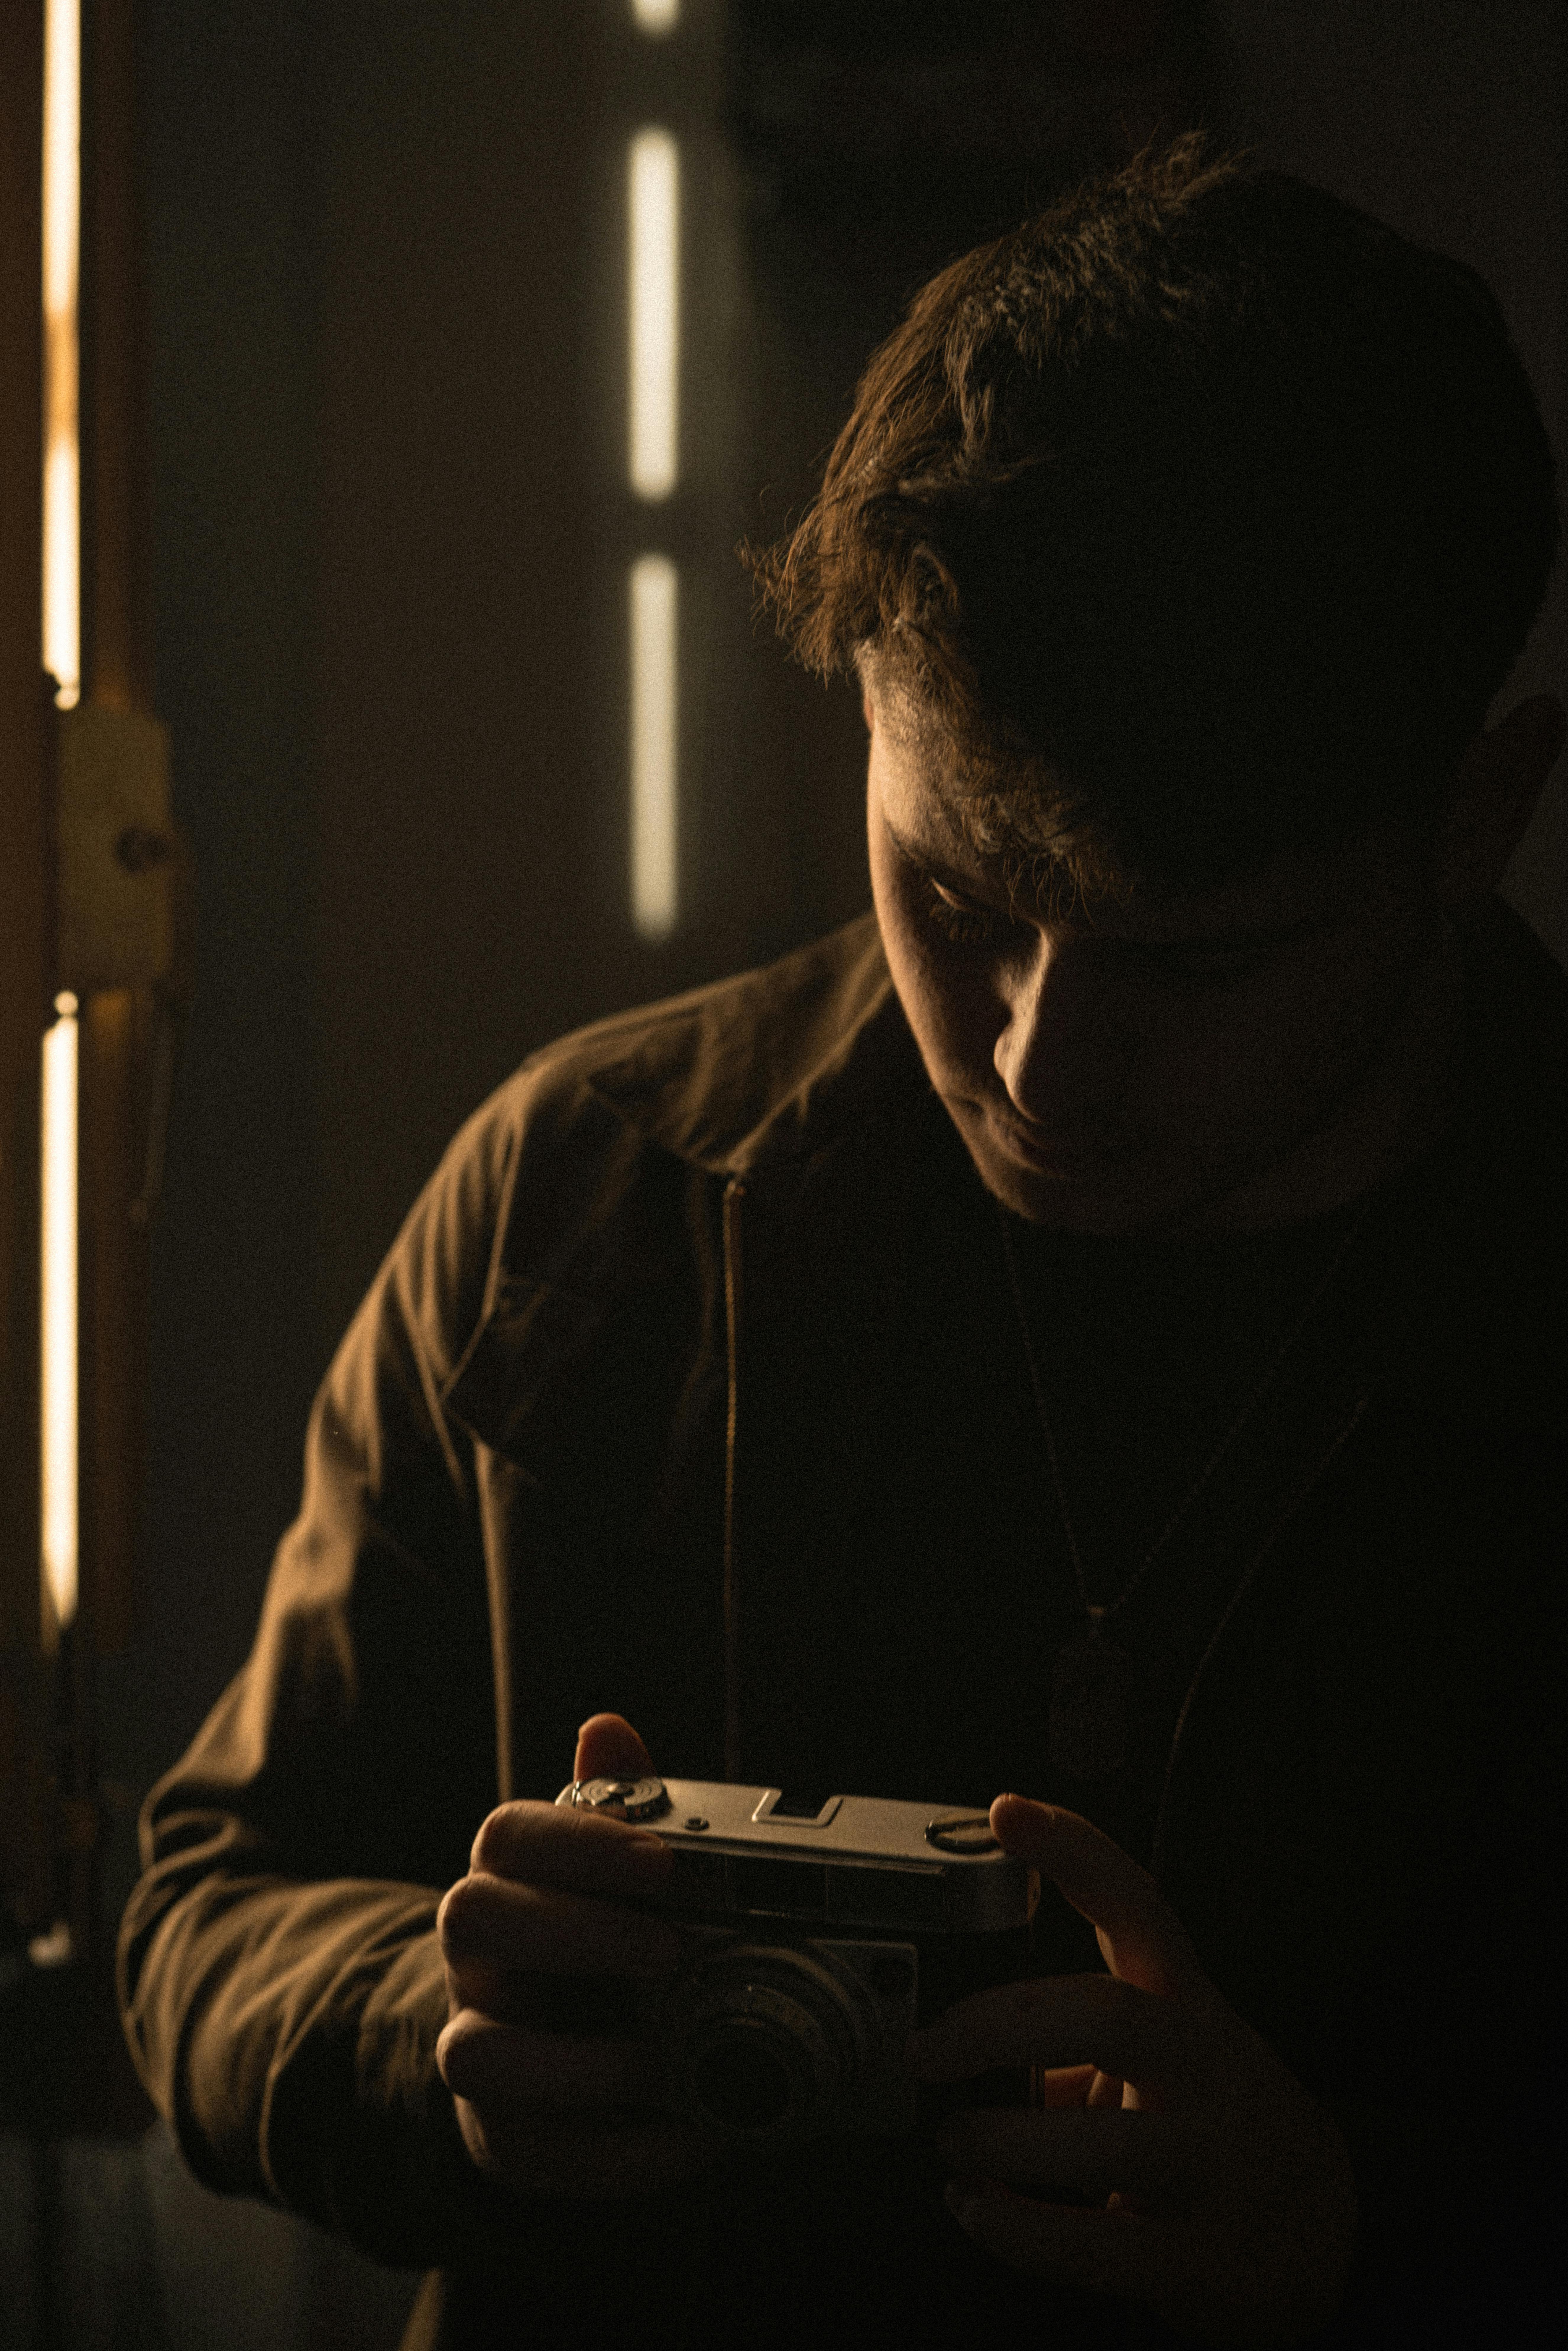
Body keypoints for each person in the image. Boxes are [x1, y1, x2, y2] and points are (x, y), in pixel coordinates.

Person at [118, 132, 1565, 2349]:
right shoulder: (582, 1198)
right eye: (958, 897)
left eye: (1197, 965)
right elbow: (209, 1904)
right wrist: (435, 2035)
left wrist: (1372, 2242)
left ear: (1480, 815)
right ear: (865, 710)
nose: (1042, 1064)